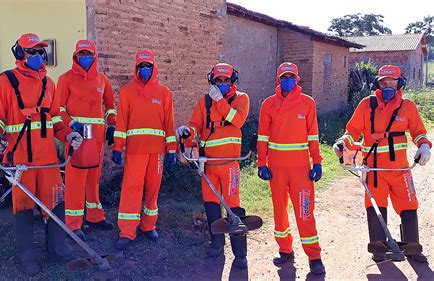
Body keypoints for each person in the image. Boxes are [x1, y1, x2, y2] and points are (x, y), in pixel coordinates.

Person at [0, 33, 83, 275]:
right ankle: (26, 255)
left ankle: (57, 248)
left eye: (40, 52)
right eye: (32, 52)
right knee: (24, 206)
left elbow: (57, 120)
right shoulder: (7, 80)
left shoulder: (49, 84)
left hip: (48, 160)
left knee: (55, 201)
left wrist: (69, 134)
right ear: (20, 54)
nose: (38, 57)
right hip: (21, 161)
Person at [334, 65, 431, 262]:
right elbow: (352, 131)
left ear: (399, 83)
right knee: (375, 206)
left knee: (409, 206)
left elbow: (418, 132)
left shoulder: (408, 106)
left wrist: (424, 146)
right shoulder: (366, 105)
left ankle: (412, 249)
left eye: (392, 82)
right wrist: (343, 143)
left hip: (401, 170)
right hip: (374, 171)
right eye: (384, 82)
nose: (388, 85)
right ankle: (379, 249)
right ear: (378, 84)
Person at [177, 63, 250, 268]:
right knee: (211, 206)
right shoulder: (204, 102)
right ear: (213, 81)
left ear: (232, 81)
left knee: (233, 207)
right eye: (218, 81)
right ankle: (217, 244)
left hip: (230, 164)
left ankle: (240, 253)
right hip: (208, 163)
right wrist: (186, 131)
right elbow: (195, 126)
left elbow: (237, 121)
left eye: (226, 81)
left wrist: (220, 102)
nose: (222, 84)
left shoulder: (241, 99)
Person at [257, 62, 325, 275]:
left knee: (305, 212)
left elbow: (313, 135)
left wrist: (317, 161)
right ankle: (285, 250)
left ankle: (314, 257)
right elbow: (262, 137)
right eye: (284, 77)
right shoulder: (268, 104)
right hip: (276, 169)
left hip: (300, 170)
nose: (288, 80)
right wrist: (261, 163)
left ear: (297, 79)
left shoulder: (307, 103)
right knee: (279, 212)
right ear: (278, 80)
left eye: (291, 77)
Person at [112, 50, 176, 250]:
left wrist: (171, 149)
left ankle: (149, 226)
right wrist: (117, 148)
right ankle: (127, 231)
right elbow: (121, 123)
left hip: (156, 153)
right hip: (135, 151)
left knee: (153, 189)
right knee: (131, 189)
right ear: (136, 68)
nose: (145, 70)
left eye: (148, 66)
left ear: (154, 67)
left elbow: (169, 125)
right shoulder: (127, 92)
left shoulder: (165, 93)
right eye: (141, 66)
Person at [57, 39, 116, 241]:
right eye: (82, 55)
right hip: (76, 137)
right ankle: (73, 223)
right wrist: (72, 123)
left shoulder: (102, 80)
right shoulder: (66, 79)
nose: (85, 58)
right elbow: (59, 109)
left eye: (89, 55)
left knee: (93, 178)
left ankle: (94, 217)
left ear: (94, 56)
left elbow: (110, 105)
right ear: (76, 56)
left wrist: (113, 125)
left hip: (96, 138)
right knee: (75, 180)